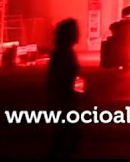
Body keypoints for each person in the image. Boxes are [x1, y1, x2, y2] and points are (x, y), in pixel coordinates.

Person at [47, 19, 82, 159]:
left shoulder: (62, 52)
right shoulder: (64, 53)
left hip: (63, 99)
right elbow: (66, 77)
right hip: (64, 100)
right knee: (67, 133)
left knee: (63, 134)